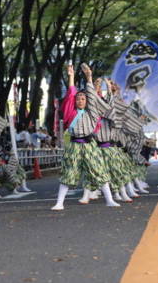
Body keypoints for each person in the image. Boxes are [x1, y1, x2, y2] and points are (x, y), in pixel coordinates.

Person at [51, 63, 119, 211]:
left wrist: (89, 77)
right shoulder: (71, 112)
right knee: (69, 172)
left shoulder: (92, 113)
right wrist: (71, 77)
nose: (80, 100)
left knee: (99, 170)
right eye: (78, 98)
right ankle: (59, 203)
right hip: (74, 145)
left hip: (90, 145)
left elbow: (93, 97)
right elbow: (70, 93)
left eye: (83, 99)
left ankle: (110, 200)